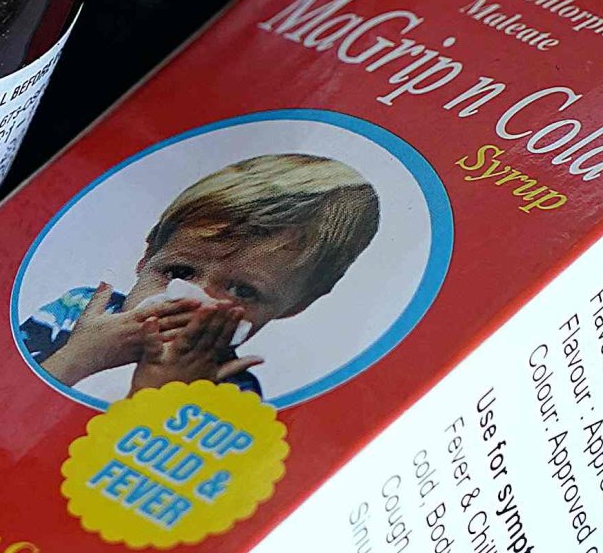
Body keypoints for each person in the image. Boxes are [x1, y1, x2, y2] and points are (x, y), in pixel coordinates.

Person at [21, 151, 381, 399]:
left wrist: (161, 391)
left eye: (243, 290)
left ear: (294, 305)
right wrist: (82, 355)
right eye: (179, 271)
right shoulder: (77, 311)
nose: (189, 298)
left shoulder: (228, 386)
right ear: (147, 257)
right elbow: (5, 399)